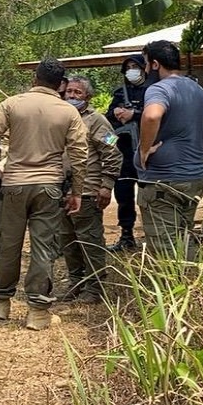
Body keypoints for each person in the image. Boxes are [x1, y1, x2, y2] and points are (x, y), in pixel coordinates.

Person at [0, 58, 89, 331]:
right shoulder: (68, 112)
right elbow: (79, 155)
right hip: (49, 187)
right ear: (61, 85)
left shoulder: (12, 104)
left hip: (14, 183)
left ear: (34, 78)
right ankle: (37, 312)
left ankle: (1, 306)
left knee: (7, 244)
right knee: (43, 248)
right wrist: (77, 190)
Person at [135, 41, 203, 257]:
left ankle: (175, 289)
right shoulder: (196, 89)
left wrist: (144, 149)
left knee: (166, 250)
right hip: (192, 179)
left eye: (146, 64)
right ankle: (195, 286)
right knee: (183, 239)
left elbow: (152, 115)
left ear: (155, 64)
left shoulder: (159, 89)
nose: (145, 70)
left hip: (163, 183)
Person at [58, 76, 123, 304]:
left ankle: (94, 286)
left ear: (87, 96)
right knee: (67, 239)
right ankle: (75, 281)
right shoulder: (61, 117)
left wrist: (106, 185)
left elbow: (113, 152)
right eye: (69, 92)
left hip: (87, 190)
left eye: (77, 92)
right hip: (62, 190)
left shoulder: (97, 121)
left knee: (89, 239)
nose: (72, 96)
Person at [106, 54, 149, 252]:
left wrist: (136, 114)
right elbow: (107, 128)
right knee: (124, 197)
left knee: (149, 197)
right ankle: (126, 236)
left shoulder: (153, 90)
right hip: (123, 156)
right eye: (128, 67)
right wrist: (116, 114)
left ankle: (153, 236)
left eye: (135, 66)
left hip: (148, 155)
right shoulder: (119, 93)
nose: (132, 70)